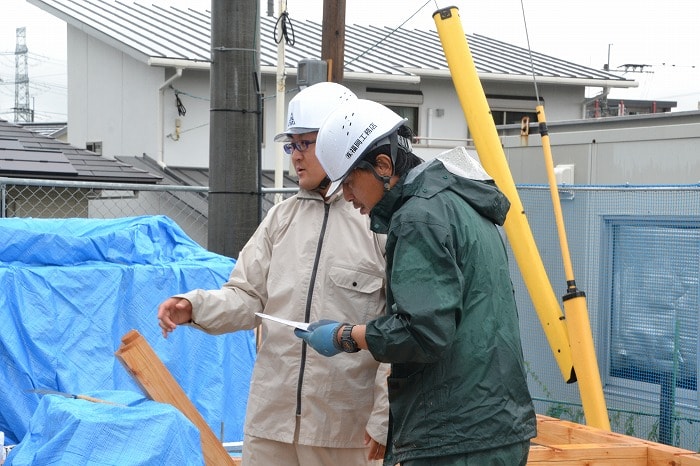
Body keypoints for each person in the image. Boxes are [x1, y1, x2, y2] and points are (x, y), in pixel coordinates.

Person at [157, 83, 390, 466]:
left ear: (340, 140)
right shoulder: (281, 219)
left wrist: (382, 421)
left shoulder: (378, 224)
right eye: (291, 145)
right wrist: (194, 306)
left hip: (346, 432)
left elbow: (396, 336)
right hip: (271, 425)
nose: (296, 157)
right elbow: (246, 298)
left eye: (306, 144)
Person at [297, 98, 537, 466]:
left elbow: (422, 333)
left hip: (452, 437)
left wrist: (346, 335)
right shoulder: (460, 203)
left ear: (383, 165)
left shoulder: (417, 218)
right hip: (495, 424)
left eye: (349, 182)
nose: (346, 195)